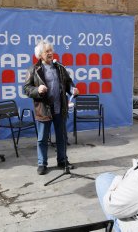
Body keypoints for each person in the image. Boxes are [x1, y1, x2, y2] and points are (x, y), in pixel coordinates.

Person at [24, 40, 79, 175]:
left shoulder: (59, 67)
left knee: (61, 136)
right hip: (44, 109)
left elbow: (68, 83)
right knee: (42, 138)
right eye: (47, 51)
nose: (50, 53)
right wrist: (37, 89)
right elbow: (26, 89)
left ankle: (62, 161)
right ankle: (42, 164)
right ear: (40, 55)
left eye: (51, 50)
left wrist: (73, 90)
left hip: (60, 108)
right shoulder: (33, 70)